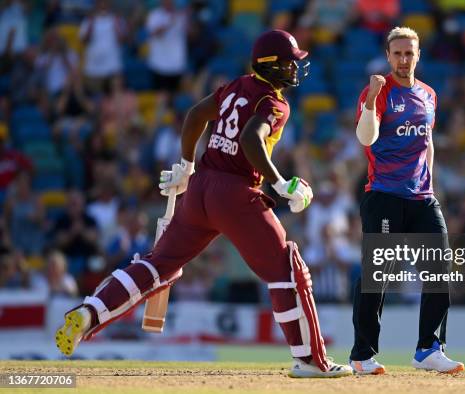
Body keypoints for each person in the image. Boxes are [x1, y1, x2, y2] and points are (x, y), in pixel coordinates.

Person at [55, 29, 351, 378]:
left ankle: (90, 312)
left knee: (159, 264)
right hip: (236, 192)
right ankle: (310, 361)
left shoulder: (235, 86)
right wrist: (281, 182)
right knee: (287, 269)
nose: (294, 68)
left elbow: (195, 115)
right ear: (270, 66)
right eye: (289, 63)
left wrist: (186, 165)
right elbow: (250, 138)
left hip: (200, 190)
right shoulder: (274, 103)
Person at [350, 26, 464, 374]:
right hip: (384, 194)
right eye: (397, 53)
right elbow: (366, 138)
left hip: (422, 197)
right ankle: (362, 356)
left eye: (409, 53)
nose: (403, 59)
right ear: (388, 56)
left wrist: (428, 181)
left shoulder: (428, 94)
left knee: (440, 268)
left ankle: (429, 349)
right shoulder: (379, 92)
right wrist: (371, 99)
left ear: (418, 55)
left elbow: (426, 142)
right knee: (377, 275)